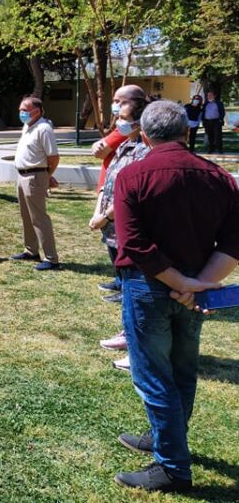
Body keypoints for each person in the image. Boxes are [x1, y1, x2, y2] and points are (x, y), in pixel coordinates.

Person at [111, 100, 239, 492]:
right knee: (182, 370)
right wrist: (195, 283)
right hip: (194, 290)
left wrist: (182, 283)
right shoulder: (220, 177)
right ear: (187, 133)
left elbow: (133, 244)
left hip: (150, 287)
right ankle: (165, 437)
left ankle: (172, 468)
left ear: (145, 136)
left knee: (154, 377)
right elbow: (234, 242)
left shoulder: (132, 176)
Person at [87, 86, 150, 357]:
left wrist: (105, 216)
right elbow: (109, 181)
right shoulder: (123, 145)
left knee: (136, 285)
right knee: (126, 282)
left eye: (123, 117)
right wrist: (98, 212)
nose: (118, 122)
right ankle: (128, 332)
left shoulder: (144, 151)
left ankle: (135, 339)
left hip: (127, 226)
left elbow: (131, 195)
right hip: (112, 229)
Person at [10, 96, 60, 270]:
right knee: (26, 216)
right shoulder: (28, 126)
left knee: (39, 217)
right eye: (20, 110)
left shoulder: (43, 128)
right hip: (22, 175)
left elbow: (53, 157)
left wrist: (46, 175)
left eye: (24, 110)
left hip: (34, 177)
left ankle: (51, 258)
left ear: (37, 111)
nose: (21, 113)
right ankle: (31, 250)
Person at [201, 90, 225, 154]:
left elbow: (222, 112)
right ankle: (211, 149)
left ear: (214, 96)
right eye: (208, 95)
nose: (208, 96)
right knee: (210, 136)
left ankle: (219, 149)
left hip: (216, 121)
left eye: (210, 95)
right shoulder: (206, 104)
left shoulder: (219, 103)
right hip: (207, 122)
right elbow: (203, 113)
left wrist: (220, 119)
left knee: (218, 136)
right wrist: (203, 120)